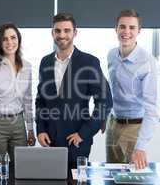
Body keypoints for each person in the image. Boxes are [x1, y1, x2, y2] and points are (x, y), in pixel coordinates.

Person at [36, 13, 112, 166]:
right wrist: (40, 129)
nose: (62, 35)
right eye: (57, 31)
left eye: (67, 30)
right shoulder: (45, 62)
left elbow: (105, 101)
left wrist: (85, 132)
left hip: (77, 141)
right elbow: (41, 100)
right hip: (50, 140)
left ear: (75, 33)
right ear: (52, 33)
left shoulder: (89, 62)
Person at [106, 9, 159, 169]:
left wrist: (140, 146)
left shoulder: (148, 62)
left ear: (139, 31)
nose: (126, 32)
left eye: (132, 27)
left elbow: (153, 109)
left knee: (133, 178)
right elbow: (112, 90)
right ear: (116, 29)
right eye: (122, 27)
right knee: (111, 176)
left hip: (134, 128)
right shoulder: (111, 55)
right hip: (113, 124)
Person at [0, 23, 35, 163]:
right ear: (0, 42)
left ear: (18, 39)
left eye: (13, 37)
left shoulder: (27, 66)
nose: (10, 42)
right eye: (5, 39)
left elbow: (28, 100)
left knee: (21, 167)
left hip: (18, 123)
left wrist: (30, 129)